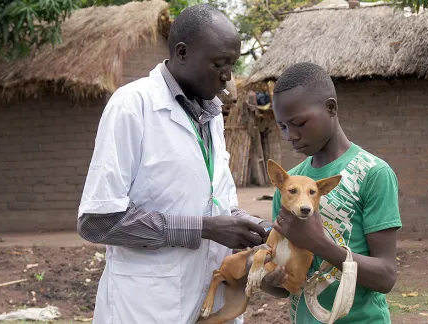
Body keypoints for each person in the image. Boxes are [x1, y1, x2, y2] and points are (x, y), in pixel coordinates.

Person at [76, 4, 286, 324]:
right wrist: (205, 228)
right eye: (219, 63)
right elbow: (97, 220)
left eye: (232, 64)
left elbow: (220, 203)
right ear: (183, 52)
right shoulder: (133, 106)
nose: (228, 76)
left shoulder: (212, 116)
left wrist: (249, 226)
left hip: (211, 302)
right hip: (147, 306)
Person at [268, 62, 402, 323]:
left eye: (299, 123)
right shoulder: (289, 186)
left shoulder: (373, 174)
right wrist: (268, 278)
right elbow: (285, 286)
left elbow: (386, 277)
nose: (290, 135)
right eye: (282, 126)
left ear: (331, 108)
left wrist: (318, 243)